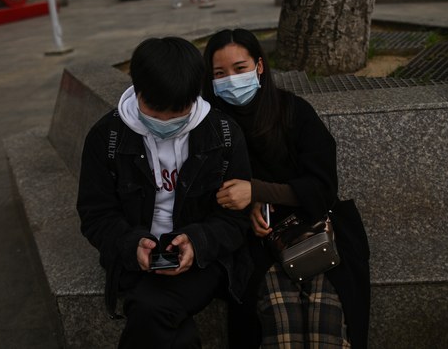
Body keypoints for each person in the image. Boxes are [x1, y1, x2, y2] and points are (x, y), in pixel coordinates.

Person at [77, 36, 253, 348]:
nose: (165, 123)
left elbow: (235, 220)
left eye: (178, 114)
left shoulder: (223, 134)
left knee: (152, 308)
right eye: (155, 112)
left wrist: (197, 243)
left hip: (204, 260)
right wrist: (133, 245)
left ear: (195, 94)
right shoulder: (107, 137)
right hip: (132, 256)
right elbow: (96, 215)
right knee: (159, 313)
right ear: (137, 90)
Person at [202, 28, 371, 349]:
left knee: (327, 316)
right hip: (253, 245)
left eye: (240, 69)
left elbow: (322, 188)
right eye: (219, 74)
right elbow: (203, 190)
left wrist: (256, 191)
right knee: (281, 318)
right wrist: (242, 207)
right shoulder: (210, 126)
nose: (231, 80)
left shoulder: (294, 112)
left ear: (259, 67)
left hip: (314, 229)